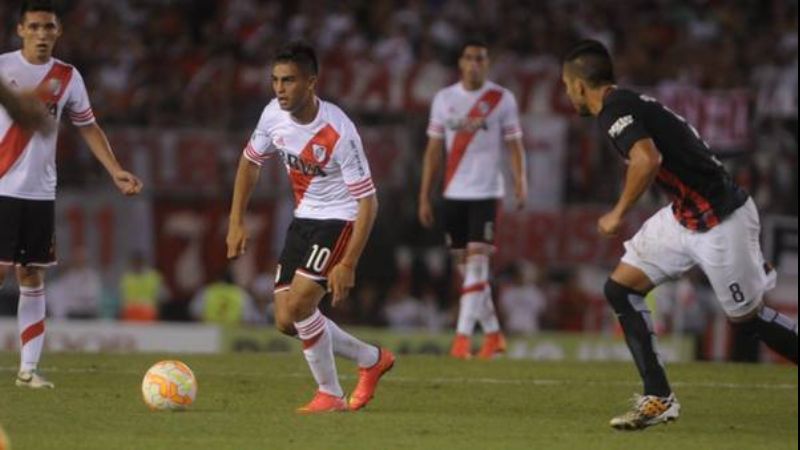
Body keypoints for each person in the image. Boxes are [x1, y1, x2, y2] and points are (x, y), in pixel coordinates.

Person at [560, 39, 798, 430]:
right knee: (620, 289)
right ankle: (658, 398)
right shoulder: (627, 103)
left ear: (580, 86)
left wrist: (618, 212)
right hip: (684, 217)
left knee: (748, 318)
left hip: (723, 221)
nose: (568, 95)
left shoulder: (615, 109)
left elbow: (647, 159)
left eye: (566, 87)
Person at [226, 42, 395, 413]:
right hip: (304, 218)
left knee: (302, 304)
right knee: (286, 320)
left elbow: (369, 201)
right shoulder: (272, 116)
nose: (279, 89)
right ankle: (371, 359)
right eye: (275, 80)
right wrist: (236, 220)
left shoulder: (339, 131)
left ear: (311, 83)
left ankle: (330, 394)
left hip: (340, 218)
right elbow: (249, 163)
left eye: (288, 81)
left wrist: (348, 263)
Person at [0, 1, 143, 389]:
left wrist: (115, 171)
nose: (42, 34)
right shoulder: (3, 68)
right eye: (35, 27)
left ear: (58, 32)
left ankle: (28, 370)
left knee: (31, 275)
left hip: (40, 193)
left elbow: (89, 127)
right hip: (2, 186)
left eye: (49, 27)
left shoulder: (67, 76)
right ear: (21, 30)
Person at [418, 38, 528, 359]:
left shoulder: (501, 99)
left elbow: (514, 144)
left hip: (486, 193)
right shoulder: (444, 99)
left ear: (487, 63)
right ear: (461, 63)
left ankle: (462, 339)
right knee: (467, 274)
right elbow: (433, 150)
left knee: (478, 268)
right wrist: (424, 194)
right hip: (453, 194)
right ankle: (493, 335)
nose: (475, 64)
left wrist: (521, 180)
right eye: (469, 58)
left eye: (481, 58)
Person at [119, 252, 165, 322]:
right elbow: (121, 298)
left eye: (139, 262)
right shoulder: (126, 277)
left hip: (148, 313)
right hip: (130, 313)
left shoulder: (153, 277)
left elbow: (162, 298)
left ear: (143, 262)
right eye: (135, 262)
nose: (137, 264)